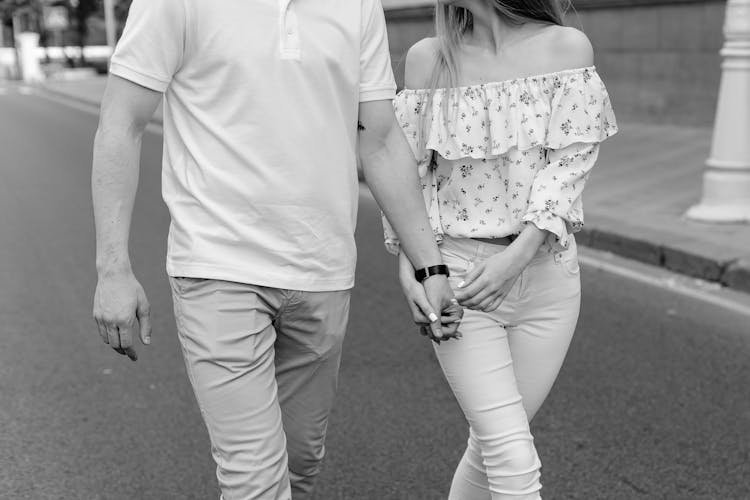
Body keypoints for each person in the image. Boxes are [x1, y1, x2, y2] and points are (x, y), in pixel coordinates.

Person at [90, 1, 461, 499]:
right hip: (218, 266)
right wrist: (113, 269)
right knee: (255, 483)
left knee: (300, 466)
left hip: (324, 270)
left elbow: (380, 138)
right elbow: (121, 123)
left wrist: (428, 263)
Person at [382, 1, 618, 498]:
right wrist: (415, 265)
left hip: (549, 279)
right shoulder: (429, 58)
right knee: (510, 453)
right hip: (462, 277)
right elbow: (411, 174)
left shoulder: (565, 49)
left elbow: (569, 169)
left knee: (490, 448)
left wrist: (517, 256)